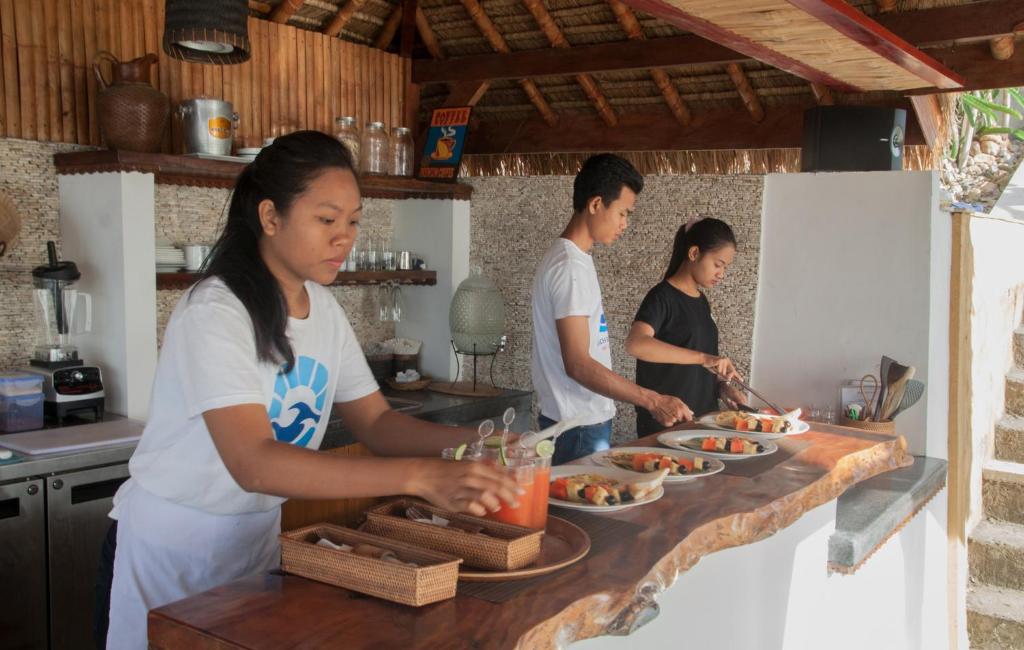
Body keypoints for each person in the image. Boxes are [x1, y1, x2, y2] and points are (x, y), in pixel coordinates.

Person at [103, 131, 520, 649]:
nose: (343, 237)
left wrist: (469, 446)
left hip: (252, 540)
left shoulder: (322, 310)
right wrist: (418, 475)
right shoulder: (216, 311)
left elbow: (376, 423)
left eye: (352, 221)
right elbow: (252, 461)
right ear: (270, 217)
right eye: (326, 220)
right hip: (176, 550)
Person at [530, 154, 691, 466]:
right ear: (595, 204)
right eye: (622, 213)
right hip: (576, 429)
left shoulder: (574, 260)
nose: (624, 224)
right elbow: (577, 364)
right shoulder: (569, 267)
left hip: (579, 425)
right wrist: (652, 400)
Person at [626, 217, 748, 436]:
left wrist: (721, 388)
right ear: (694, 254)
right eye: (718, 265)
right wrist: (703, 358)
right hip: (666, 427)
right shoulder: (661, 297)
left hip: (703, 424)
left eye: (725, 267)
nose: (721, 273)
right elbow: (636, 344)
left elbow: (695, 369)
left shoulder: (701, 301)